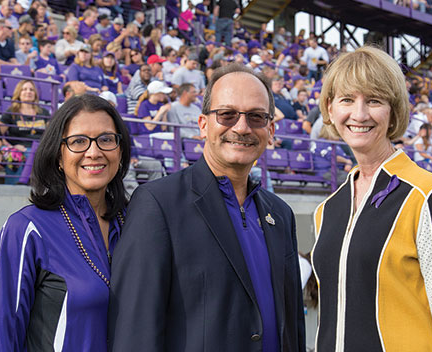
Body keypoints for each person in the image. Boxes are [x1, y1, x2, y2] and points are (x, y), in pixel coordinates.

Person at [108, 63, 305, 351]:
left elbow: (293, 325)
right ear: (203, 125)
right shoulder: (158, 204)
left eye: (256, 116)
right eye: (227, 114)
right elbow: (135, 331)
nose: (242, 127)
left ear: (271, 130)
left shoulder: (281, 214)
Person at [312, 46, 432, 351]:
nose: (359, 114)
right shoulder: (328, 210)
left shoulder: (428, 196)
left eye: (374, 101)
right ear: (330, 109)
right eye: (347, 99)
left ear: (394, 111)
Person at [0, 94, 131, 350]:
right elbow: (3, 330)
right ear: (59, 156)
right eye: (78, 142)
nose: (94, 152)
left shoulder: (135, 222)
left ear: (120, 150)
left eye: (106, 139)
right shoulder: (27, 228)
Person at [0, 80, 49, 184]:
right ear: (18, 93)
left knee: (33, 153)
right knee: (17, 155)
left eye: (31, 90)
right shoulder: (11, 112)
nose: (28, 92)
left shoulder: (43, 112)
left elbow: (51, 134)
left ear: (35, 94)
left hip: (39, 148)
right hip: (19, 149)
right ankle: (13, 190)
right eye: (24, 89)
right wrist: (11, 146)